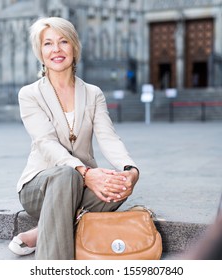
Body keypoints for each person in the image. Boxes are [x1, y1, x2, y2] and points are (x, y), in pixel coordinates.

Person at [8, 17, 139, 260]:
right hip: (40, 185)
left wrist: (130, 170)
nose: (56, 49)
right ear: (41, 52)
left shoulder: (93, 93)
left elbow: (109, 138)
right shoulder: (29, 94)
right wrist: (86, 173)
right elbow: (46, 143)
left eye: (63, 41)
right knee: (66, 174)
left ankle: (42, 231)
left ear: (74, 47)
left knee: (119, 185)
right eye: (48, 44)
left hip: (81, 185)